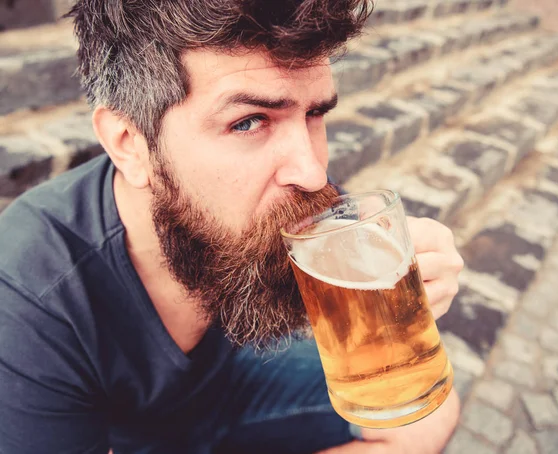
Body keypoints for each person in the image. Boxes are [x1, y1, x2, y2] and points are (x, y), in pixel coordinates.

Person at [0, 1, 464, 453]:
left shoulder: (285, 199)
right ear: (129, 144)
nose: (313, 173)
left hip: (233, 388)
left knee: (429, 412)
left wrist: (409, 280)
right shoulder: (27, 297)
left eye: (315, 113)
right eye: (248, 122)